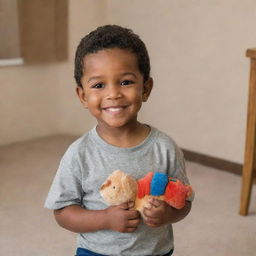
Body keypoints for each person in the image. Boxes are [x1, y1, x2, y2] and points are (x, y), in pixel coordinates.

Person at [45, 24, 194, 256]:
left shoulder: (165, 148)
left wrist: (168, 214)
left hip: (155, 251)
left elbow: (184, 200)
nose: (113, 94)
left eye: (125, 82)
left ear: (146, 88)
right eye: (98, 85)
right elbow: (62, 212)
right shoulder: (79, 153)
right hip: (96, 252)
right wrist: (104, 218)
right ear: (83, 96)